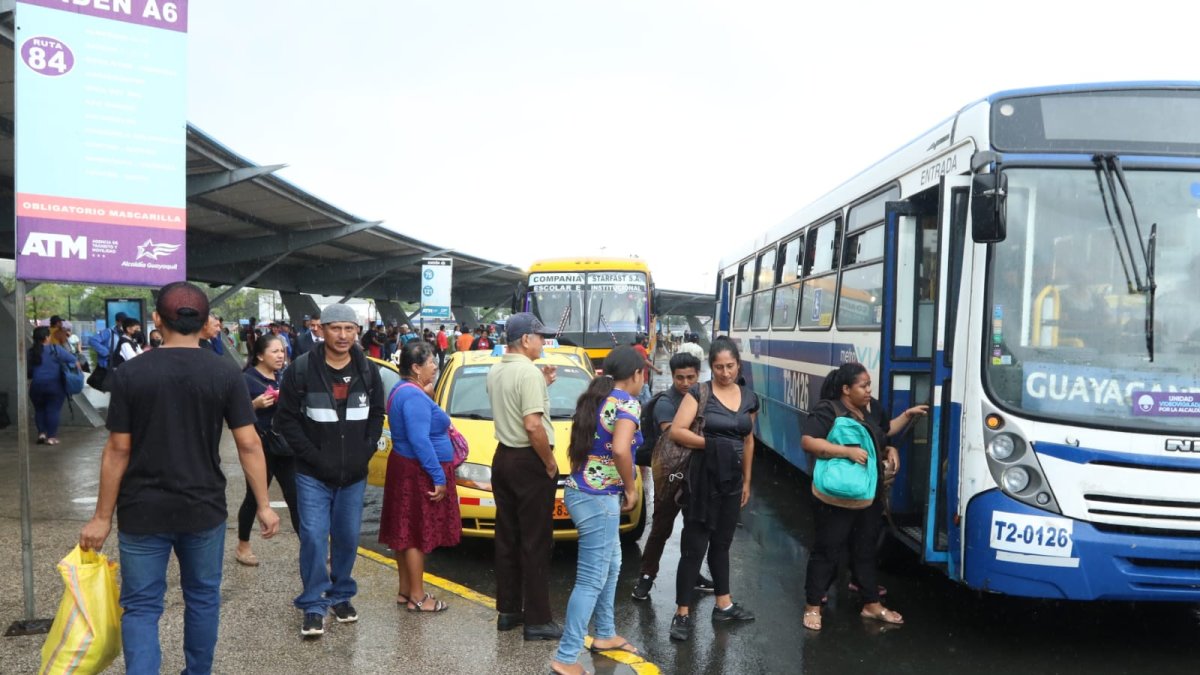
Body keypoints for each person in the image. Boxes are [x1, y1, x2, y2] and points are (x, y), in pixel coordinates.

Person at [78, 281, 280, 674]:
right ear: (206, 324)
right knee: (203, 599)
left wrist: (102, 517)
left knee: (140, 606)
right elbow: (249, 444)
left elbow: (118, 450)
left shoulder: (131, 373)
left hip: (141, 511)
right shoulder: (224, 372)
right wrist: (264, 505)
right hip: (202, 509)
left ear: (157, 320)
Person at [274, 303, 385, 638]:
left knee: (349, 538)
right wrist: (312, 456)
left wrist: (366, 450)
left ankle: (341, 595)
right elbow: (286, 420)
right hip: (311, 474)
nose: (343, 335)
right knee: (312, 537)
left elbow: (377, 413)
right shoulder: (303, 369)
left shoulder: (368, 371)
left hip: (353, 474)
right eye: (336, 328)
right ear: (321, 329)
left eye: (349, 329)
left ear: (357, 332)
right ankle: (312, 604)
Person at [799, 362, 926, 631]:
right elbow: (809, 442)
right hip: (835, 496)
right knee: (827, 549)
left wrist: (902, 424)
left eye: (869, 384)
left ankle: (871, 604)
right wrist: (846, 452)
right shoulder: (828, 409)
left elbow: (883, 432)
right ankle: (813, 606)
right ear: (846, 389)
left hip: (868, 494)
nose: (869, 390)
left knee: (865, 549)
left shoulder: (872, 408)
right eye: (863, 385)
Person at [551, 346, 645, 675]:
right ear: (636, 375)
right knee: (591, 578)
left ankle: (604, 633)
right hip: (599, 499)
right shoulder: (627, 403)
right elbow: (621, 449)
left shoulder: (596, 398)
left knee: (613, 563)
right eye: (643, 374)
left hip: (581, 493)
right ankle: (565, 656)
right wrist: (631, 489)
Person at [667, 336, 758, 642]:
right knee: (695, 548)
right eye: (718, 367)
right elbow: (678, 432)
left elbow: (748, 440)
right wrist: (713, 444)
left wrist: (746, 480)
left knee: (722, 544)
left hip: (732, 480)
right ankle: (682, 612)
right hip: (703, 479)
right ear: (711, 367)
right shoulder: (699, 392)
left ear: (738, 364)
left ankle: (724, 604)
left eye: (730, 366)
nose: (725, 372)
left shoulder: (749, 397)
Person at [485, 312, 562, 640]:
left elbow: (512, 406)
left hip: (503, 457)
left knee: (508, 537)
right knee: (535, 540)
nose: (544, 342)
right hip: (528, 461)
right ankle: (538, 619)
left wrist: (540, 384)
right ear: (526, 340)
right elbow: (532, 425)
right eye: (540, 337)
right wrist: (548, 461)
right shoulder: (527, 373)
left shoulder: (496, 369)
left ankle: (509, 611)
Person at [379, 339, 462, 613]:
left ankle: (405, 591)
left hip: (406, 467)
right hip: (417, 470)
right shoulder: (413, 396)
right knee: (414, 534)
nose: (435, 369)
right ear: (416, 367)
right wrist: (438, 476)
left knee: (404, 531)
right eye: (431, 364)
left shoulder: (402, 389)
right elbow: (420, 440)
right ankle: (418, 596)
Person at [631, 351, 714, 601]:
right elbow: (674, 436)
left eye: (690, 377)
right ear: (673, 377)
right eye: (680, 378)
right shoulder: (667, 403)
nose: (686, 383)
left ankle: (693, 574)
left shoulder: (704, 397)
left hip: (697, 474)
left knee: (694, 528)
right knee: (661, 528)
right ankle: (646, 577)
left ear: (698, 375)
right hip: (669, 475)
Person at [234, 335, 299, 567]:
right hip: (260, 448)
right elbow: (234, 415)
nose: (281, 355)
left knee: (296, 498)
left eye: (282, 351)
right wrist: (255, 405)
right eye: (274, 351)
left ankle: (312, 549)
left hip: (286, 447)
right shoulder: (246, 380)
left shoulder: (285, 377)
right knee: (254, 498)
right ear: (260, 355)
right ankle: (243, 545)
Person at [28, 325, 78, 446]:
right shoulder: (55, 349)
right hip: (54, 386)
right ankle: (51, 437)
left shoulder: (30, 352)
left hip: (36, 386)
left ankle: (41, 433)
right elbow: (73, 360)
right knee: (53, 410)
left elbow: (28, 372)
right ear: (46, 337)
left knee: (39, 410)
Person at [632, 334, 662, 405]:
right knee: (647, 399)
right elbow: (645, 361)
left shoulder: (635, 348)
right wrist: (657, 369)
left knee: (643, 397)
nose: (646, 341)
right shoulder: (640, 348)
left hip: (640, 378)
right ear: (642, 341)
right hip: (642, 378)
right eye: (645, 339)